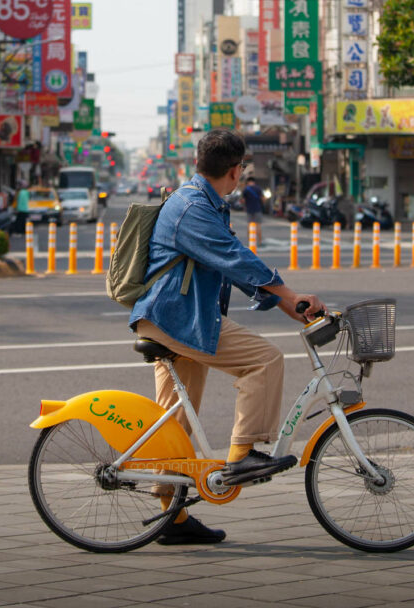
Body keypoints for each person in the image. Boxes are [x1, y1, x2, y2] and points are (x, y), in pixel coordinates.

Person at [130, 129, 327, 546]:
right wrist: (288, 294)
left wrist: (286, 303)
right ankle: (242, 454)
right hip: (179, 320)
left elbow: (231, 261)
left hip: (171, 317)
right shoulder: (192, 208)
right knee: (265, 360)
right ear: (236, 171)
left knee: (175, 420)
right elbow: (235, 258)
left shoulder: (203, 202)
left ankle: (174, 517)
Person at [241, 174, 266, 246]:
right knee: (258, 226)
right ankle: (260, 242)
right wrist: (262, 204)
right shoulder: (258, 188)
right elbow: (263, 199)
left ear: (248, 182)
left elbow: (243, 200)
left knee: (249, 225)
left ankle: (250, 242)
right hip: (257, 209)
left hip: (249, 209)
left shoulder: (246, 189)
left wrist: (245, 205)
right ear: (254, 182)